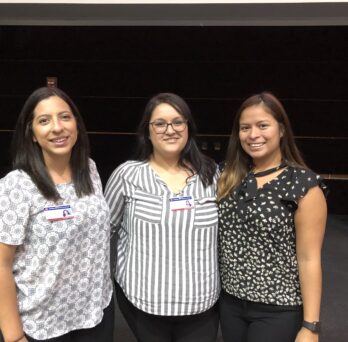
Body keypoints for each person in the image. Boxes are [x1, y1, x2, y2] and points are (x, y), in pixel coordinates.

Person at [0, 87, 114, 342]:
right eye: (44, 120)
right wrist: (14, 336)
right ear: (31, 134)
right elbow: (1, 264)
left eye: (65, 117)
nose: (57, 127)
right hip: (42, 324)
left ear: (76, 124)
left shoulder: (90, 169)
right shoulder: (17, 185)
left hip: (95, 314)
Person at [105, 92, 220, 342]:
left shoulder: (212, 175)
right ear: (147, 131)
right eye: (160, 123)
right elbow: (103, 233)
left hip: (202, 306)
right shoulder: (127, 176)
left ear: (188, 127)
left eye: (178, 122)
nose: (170, 130)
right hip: (144, 304)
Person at [217, 92, 327, 342]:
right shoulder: (227, 175)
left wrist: (311, 326)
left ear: (281, 130)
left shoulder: (303, 184)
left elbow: (309, 258)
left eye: (263, 125)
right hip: (230, 303)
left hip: (278, 308)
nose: (253, 134)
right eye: (245, 128)